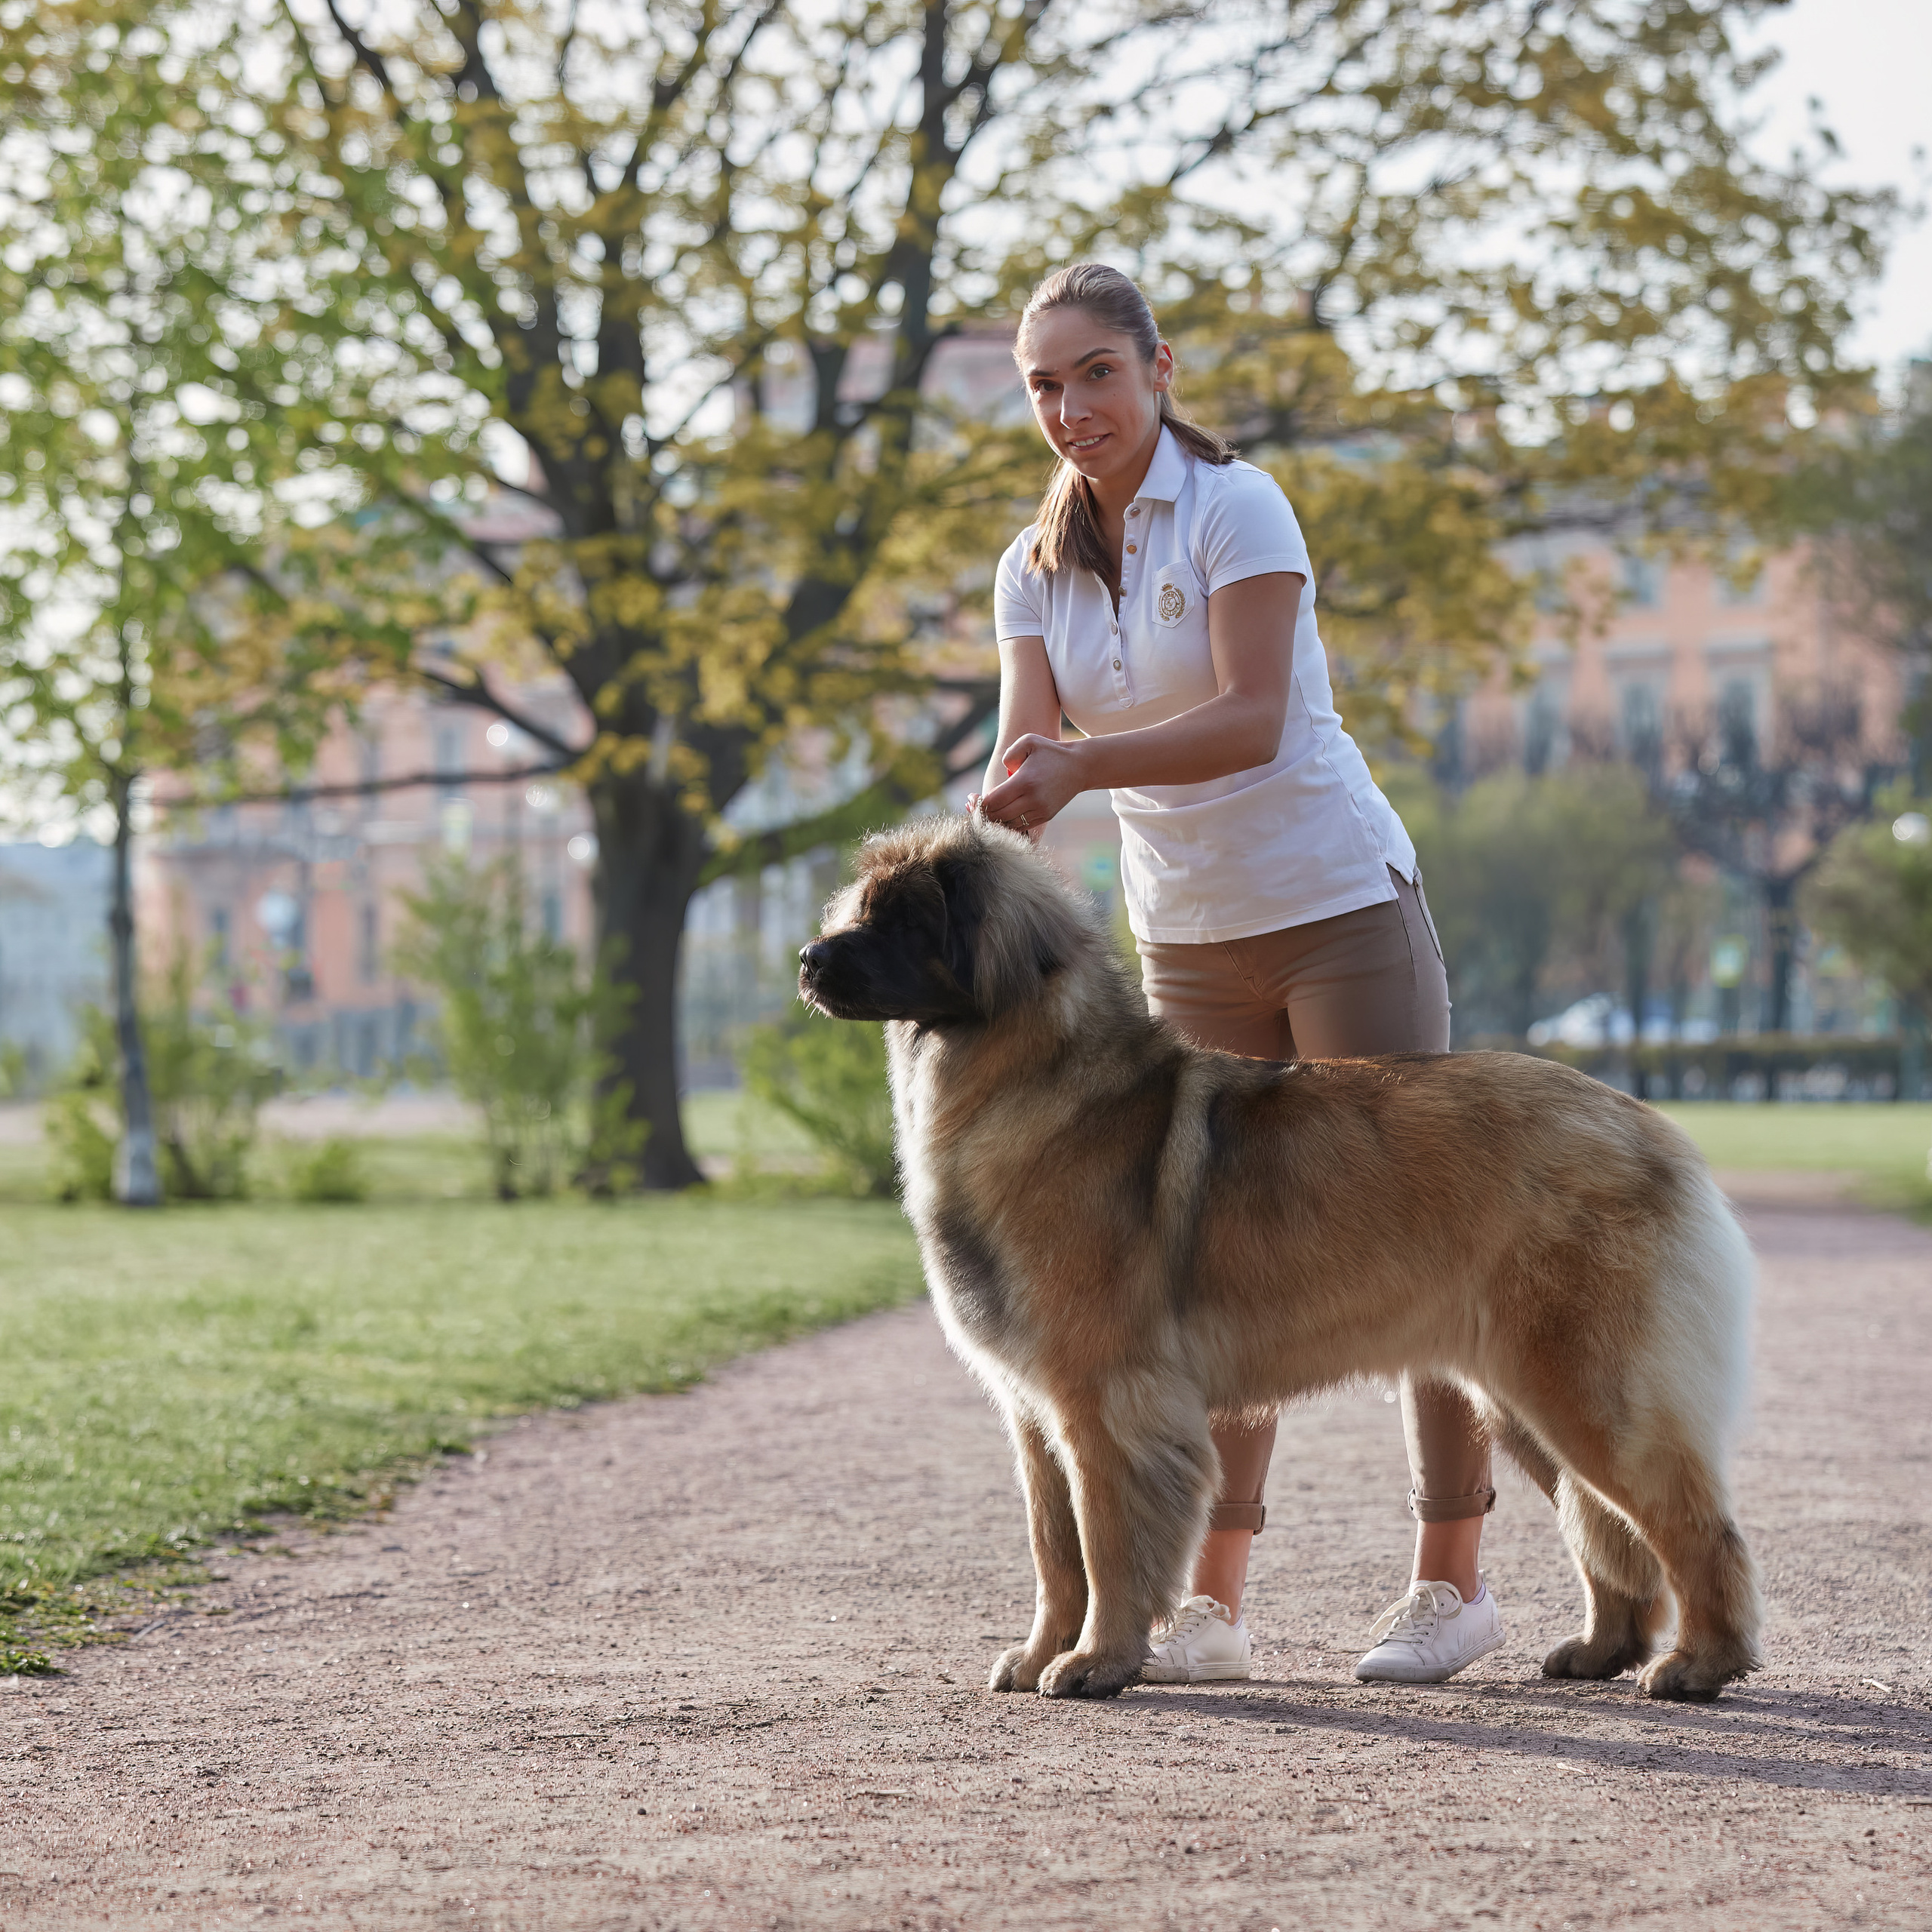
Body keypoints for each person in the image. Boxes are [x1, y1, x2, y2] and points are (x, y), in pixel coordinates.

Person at [968, 262, 1503, 1688]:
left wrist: (1084, 765)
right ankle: (1211, 1604)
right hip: (1188, 933)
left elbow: (1256, 720)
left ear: (1157, 371)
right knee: (1210, 1264)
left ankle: (1447, 1582)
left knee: (1424, 1242)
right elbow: (1026, 757)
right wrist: (996, 835)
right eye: (1044, 383)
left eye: (1095, 372)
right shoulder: (1031, 568)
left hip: (1335, 904)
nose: (1071, 407)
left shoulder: (1239, 506)